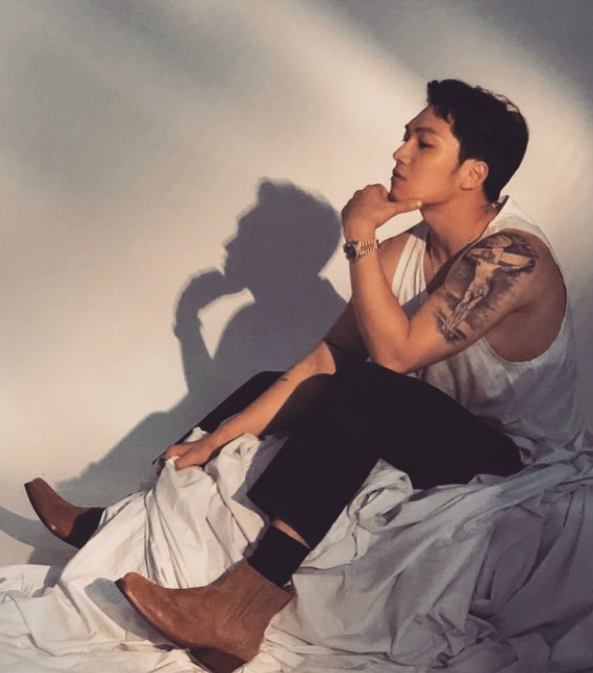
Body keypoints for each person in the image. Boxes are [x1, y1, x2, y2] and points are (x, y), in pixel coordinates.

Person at [25, 79, 577, 673]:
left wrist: (360, 235)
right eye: (406, 138)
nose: (398, 153)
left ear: (473, 173)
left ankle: (245, 603)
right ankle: (119, 523)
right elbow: (328, 357)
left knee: (369, 387)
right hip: (430, 431)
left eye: (424, 143)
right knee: (275, 382)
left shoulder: (512, 258)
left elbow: (393, 357)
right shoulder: (408, 251)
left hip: (515, 463)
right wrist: (213, 438)